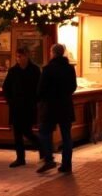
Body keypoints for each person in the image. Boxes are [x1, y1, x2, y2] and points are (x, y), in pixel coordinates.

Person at [36, 43, 77, 174]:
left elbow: (41, 89)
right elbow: (73, 86)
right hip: (65, 105)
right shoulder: (70, 68)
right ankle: (66, 164)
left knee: (44, 132)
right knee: (66, 136)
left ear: (52, 53)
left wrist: (39, 100)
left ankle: (49, 158)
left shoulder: (48, 69)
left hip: (50, 107)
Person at [2, 47, 42, 168]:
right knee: (17, 133)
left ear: (27, 56)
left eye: (21, 56)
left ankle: (43, 150)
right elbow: (6, 87)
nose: (19, 59)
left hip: (29, 106)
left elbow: (39, 88)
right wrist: (10, 101)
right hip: (16, 107)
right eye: (17, 56)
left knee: (27, 131)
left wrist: (36, 101)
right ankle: (20, 158)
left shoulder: (34, 70)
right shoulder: (13, 71)